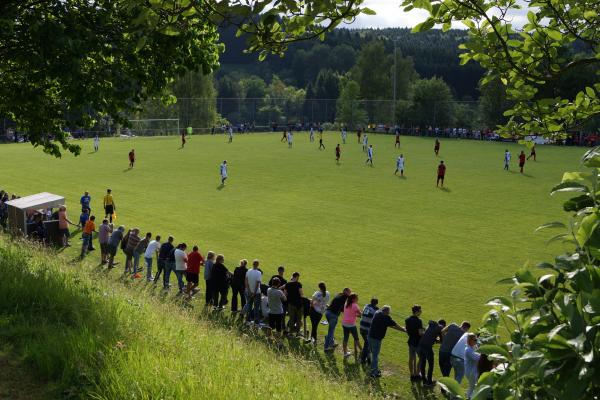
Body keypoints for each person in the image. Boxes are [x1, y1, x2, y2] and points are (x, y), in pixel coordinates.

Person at [368, 305, 406, 378]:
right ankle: (374, 372)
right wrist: (403, 329)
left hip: (370, 336)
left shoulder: (377, 313)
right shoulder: (386, 317)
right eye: (389, 312)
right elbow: (395, 324)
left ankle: (374, 368)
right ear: (386, 311)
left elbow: (389, 324)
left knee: (373, 353)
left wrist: (400, 328)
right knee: (375, 355)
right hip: (377, 338)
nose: (389, 313)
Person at [418, 319, 446, 387]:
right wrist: (439, 340)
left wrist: (435, 340)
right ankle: (429, 382)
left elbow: (429, 335)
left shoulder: (430, 325)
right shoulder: (441, 327)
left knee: (423, 363)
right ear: (444, 325)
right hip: (427, 347)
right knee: (431, 364)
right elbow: (442, 340)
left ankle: (424, 380)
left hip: (420, 345)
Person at [405, 305, 425, 381]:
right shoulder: (419, 321)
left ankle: (412, 374)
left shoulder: (407, 319)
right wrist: (424, 331)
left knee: (411, 358)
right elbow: (420, 333)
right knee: (421, 358)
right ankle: (417, 374)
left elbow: (407, 330)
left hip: (410, 341)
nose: (421, 312)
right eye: (420, 311)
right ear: (416, 312)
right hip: (418, 342)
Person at [341, 293, 362, 358]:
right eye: (356, 298)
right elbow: (361, 314)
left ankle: (345, 353)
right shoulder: (355, 305)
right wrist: (357, 315)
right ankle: (362, 350)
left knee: (345, 338)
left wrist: (354, 315)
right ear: (353, 299)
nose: (357, 299)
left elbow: (349, 312)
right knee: (356, 338)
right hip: (351, 325)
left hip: (344, 324)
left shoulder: (346, 303)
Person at [283, 272, 304, 336]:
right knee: (298, 319)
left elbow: (285, 295)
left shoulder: (287, 284)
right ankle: (298, 332)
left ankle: (290, 332)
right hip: (299, 305)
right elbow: (301, 294)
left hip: (290, 304)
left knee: (291, 318)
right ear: (297, 277)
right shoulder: (299, 284)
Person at [359, 298, 379, 364]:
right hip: (367, 329)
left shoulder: (366, 306)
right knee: (367, 344)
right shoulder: (376, 310)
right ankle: (363, 359)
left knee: (367, 344)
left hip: (361, 327)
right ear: (376, 303)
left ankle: (368, 359)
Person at [244, 259, 263, 324]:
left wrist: (249, 291)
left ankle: (247, 319)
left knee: (249, 306)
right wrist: (254, 293)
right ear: (258, 265)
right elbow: (258, 284)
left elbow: (246, 282)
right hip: (256, 293)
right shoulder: (259, 273)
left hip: (249, 292)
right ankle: (256, 321)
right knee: (256, 308)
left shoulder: (248, 271)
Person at [465, 333, 481, 399]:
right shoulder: (468, 350)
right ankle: (469, 397)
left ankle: (469, 396)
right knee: (472, 386)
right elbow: (477, 358)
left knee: (473, 386)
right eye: (474, 340)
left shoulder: (474, 347)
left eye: (476, 340)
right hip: (470, 371)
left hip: (474, 370)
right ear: (470, 340)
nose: (476, 341)